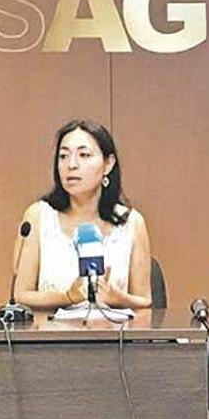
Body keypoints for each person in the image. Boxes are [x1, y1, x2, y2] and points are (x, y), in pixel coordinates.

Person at [14, 119, 152, 309]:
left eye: (84, 155)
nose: (71, 164)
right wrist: (68, 297)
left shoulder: (132, 222)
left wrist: (117, 298)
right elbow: (21, 296)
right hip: (51, 334)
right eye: (63, 156)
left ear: (108, 164)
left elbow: (145, 301)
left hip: (115, 335)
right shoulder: (39, 216)